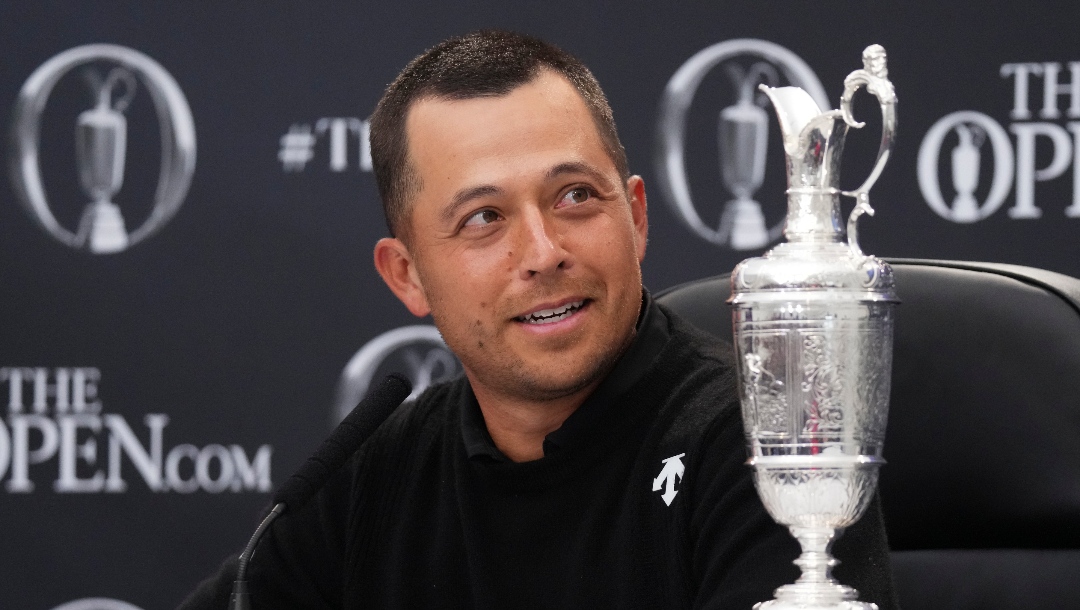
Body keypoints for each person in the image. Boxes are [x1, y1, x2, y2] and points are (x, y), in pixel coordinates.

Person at [180, 30, 897, 609]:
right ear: (408, 275)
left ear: (637, 215)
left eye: (576, 196)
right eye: (485, 218)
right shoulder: (372, 475)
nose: (544, 252)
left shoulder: (766, 447)